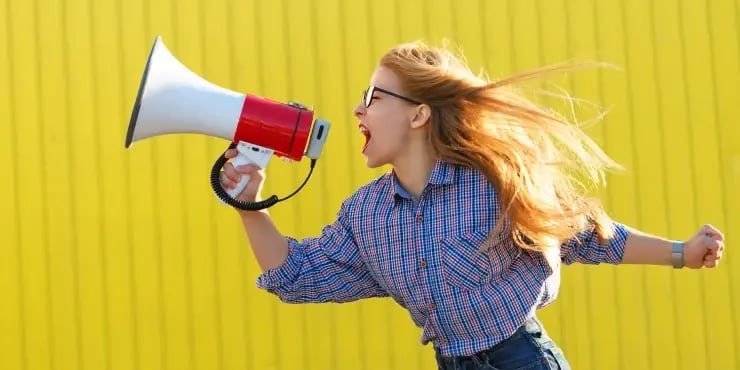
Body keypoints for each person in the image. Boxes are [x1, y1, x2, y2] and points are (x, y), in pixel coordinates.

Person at [219, 41, 726, 370]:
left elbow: (595, 239)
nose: (357, 108)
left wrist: (682, 251)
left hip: (522, 359)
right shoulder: (365, 216)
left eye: (372, 96)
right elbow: (296, 277)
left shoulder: (492, 185)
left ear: (419, 115)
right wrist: (248, 205)